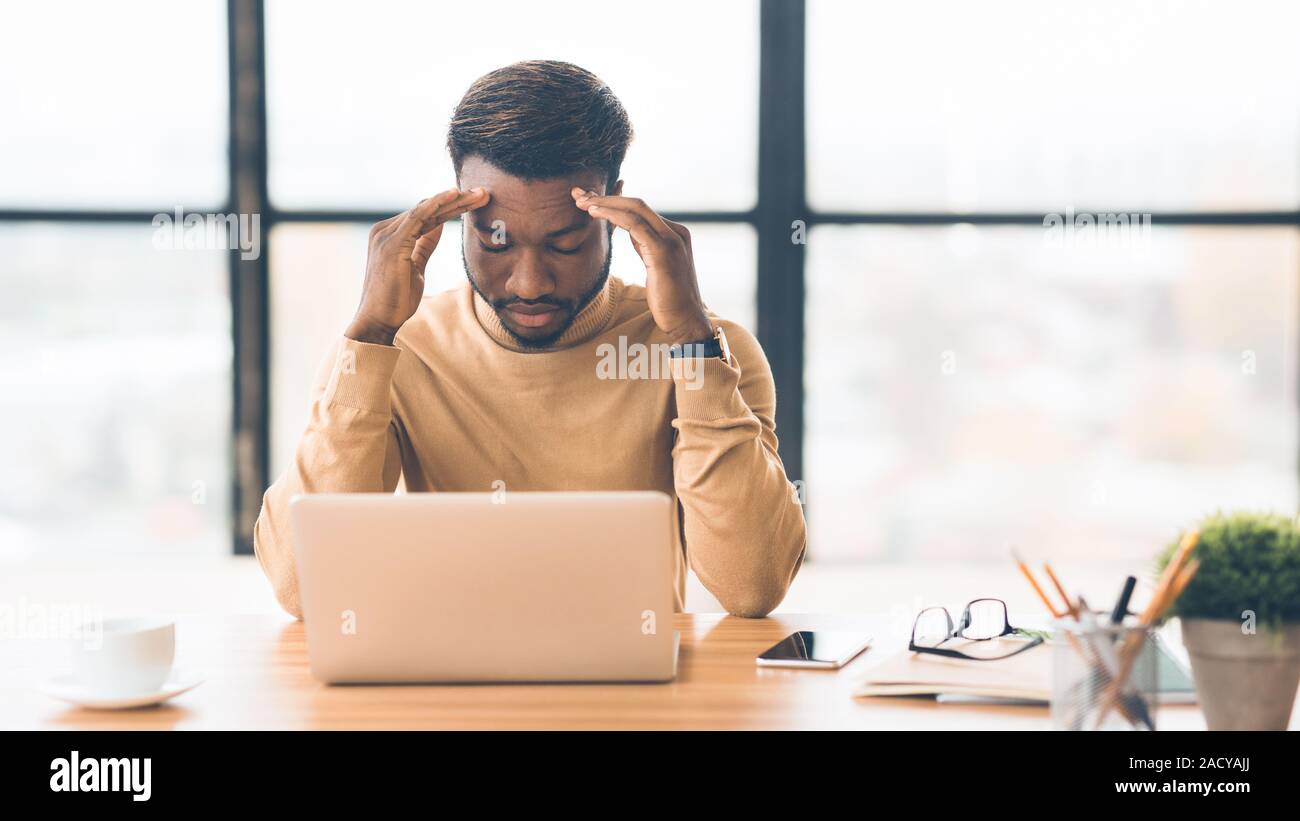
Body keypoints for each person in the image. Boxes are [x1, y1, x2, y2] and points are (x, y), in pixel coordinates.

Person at [254, 60, 806, 619]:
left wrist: (692, 343)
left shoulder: (704, 349)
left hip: (635, 692)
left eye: (564, 244)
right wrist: (369, 334)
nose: (530, 283)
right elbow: (302, 588)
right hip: (445, 686)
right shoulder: (395, 353)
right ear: (458, 211)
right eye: (496, 244)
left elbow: (752, 586)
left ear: (614, 209)